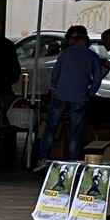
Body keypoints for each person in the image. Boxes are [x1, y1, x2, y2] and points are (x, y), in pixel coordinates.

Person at [38, 24, 98, 163]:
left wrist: (55, 89)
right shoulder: (93, 56)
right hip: (80, 97)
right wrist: (90, 93)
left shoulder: (65, 54)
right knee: (75, 132)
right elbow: (98, 79)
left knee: (51, 127)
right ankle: (71, 162)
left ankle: (43, 158)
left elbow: (55, 74)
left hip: (61, 95)